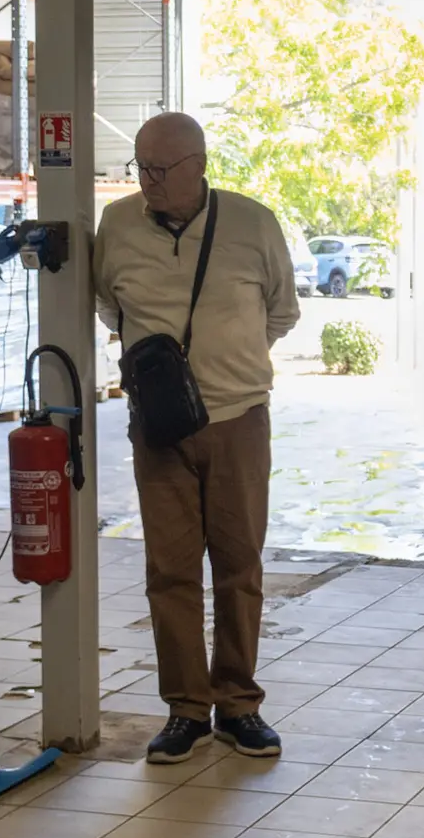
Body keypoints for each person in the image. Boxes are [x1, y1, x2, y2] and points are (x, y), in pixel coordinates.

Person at [94, 112, 301, 764]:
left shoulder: (252, 223)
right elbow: (110, 307)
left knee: (238, 563)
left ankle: (239, 705)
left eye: (161, 169)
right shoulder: (118, 225)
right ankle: (185, 709)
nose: (148, 181)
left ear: (199, 165)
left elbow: (282, 310)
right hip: (158, 427)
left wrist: (227, 362)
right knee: (170, 569)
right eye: (141, 167)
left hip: (239, 418)